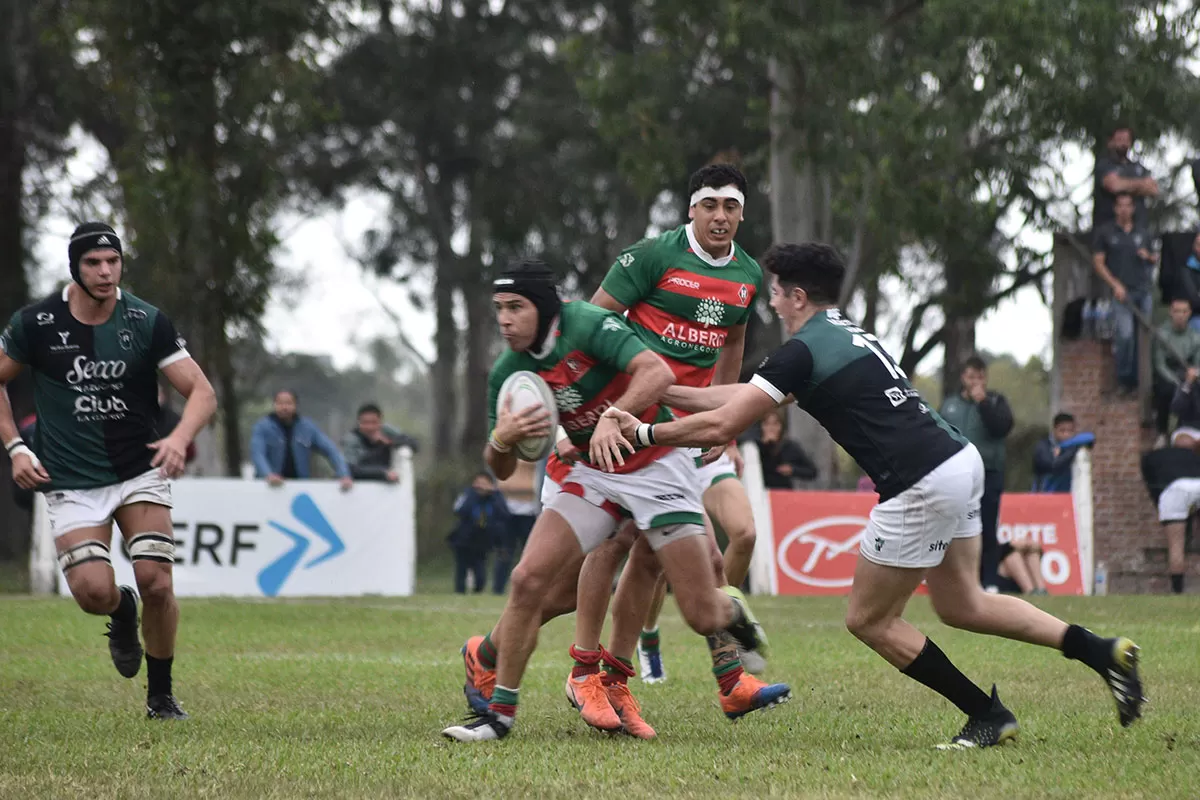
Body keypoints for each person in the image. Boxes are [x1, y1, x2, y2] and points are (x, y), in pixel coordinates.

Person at [605, 241, 1145, 748]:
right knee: (964, 604)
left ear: (797, 296)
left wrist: (646, 431)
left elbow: (725, 424)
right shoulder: (842, 332)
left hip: (920, 481)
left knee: (868, 619)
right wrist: (664, 389)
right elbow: (742, 396)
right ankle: (1100, 652)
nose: (769, 301)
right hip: (958, 462)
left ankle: (986, 714)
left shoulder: (801, 351)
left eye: (775, 291)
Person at [441, 260, 784, 743]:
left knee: (702, 612)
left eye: (515, 307)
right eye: (498, 309)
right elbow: (497, 470)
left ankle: (732, 617)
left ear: (541, 307)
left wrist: (616, 414)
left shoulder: (585, 322)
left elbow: (656, 372)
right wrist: (502, 440)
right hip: (593, 470)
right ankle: (501, 717)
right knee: (528, 579)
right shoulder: (509, 371)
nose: (504, 319)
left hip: (656, 463)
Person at [0, 222, 218, 720]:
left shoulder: (145, 320)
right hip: (72, 479)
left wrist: (179, 439)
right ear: (74, 267)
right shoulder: (35, 324)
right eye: (94, 263)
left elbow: (202, 392)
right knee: (93, 593)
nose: (105, 271)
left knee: (157, 581)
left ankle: (161, 696)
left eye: (113, 261)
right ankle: (121, 609)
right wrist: (15, 446)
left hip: (139, 470)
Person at [567, 162, 766, 697]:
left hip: (681, 430)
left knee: (699, 552)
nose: (719, 217)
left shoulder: (747, 275)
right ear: (691, 209)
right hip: (622, 418)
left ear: (742, 214)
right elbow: (590, 323)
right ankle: (575, 667)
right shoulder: (651, 256)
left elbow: (733, 349)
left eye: (730, 208)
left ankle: (721, 677)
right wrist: (586, 408)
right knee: (603, 549)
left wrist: (723, 425)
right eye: (710, 206)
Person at [938, 355, 1014, 589]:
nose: (975, 382)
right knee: (952, 528)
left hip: (989, 473)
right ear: (963, 377)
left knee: (986, 528)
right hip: (955, 475)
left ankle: (988, 581)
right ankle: (956, 581)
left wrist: (983, 403)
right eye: (971, 376)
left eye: (980, 377)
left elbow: (1002, 428)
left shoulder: (996, 401)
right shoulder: (950, 405)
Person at [1092, 192, 1158, 394]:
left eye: (1128, 205)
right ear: (1115, 208)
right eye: (1120, 205)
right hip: (1121, 292)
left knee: (1143, 338)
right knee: (1126, 335)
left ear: (1133, 208)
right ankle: (1124, 380)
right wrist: (1115, 285)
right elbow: (1098, 263)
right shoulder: (1106, 232)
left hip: (1143, 291)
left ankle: (1141, 382)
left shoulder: (1143, 232)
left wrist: (1149, 256)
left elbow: (1155, 258)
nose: (1124, 209)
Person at [250, 390, 352, 490]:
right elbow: (258, 454)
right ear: (274, 405)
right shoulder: (262, 427)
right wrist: (268, 475)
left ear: (296, 405)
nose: (284, 407)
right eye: (280, 403)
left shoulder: (308, 427)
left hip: (299, 487)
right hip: (268, 487)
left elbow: (331, 451)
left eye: (289, 403)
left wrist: (344, 475)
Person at [1141, 444, 1200, 594]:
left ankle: (1177, 591)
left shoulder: (1149, 458)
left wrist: (1163, 512)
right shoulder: (1189, 453)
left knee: (1176, 545)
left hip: (1174, 489)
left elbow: (1153, 488)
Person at [448, 472, 509, 594]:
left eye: (484, 483)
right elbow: (460, 510)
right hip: (464, 539)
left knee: (480, 570)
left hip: (483, 540)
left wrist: (493, 494)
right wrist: (473, 495)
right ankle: (459, 592)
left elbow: (504, 514)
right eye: (478, 483)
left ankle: (478, 591)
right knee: (462, 568)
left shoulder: (496, 498)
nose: (481, 486)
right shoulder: (467, 495)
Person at [1092, 124, 1158, 231]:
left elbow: (1153, 189)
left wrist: (1124, 184)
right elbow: (1114, 186)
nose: (1123, 143)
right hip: (1108, 231)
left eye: (1126, 140)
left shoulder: (1137, 167)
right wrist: (1140, 186)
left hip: (1138, 230)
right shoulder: (1104, 165)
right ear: (1111, 142)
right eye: (1119, 139)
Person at [1152, 298, 1200, 445]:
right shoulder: (1162, 334)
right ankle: (1162, 432)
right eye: (1177, 311)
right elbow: (1159, 364)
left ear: (1189, 313)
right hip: (1168, 375)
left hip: (1188, 374)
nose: (1180, 315)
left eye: (1184, 311)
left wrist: (1191, 378)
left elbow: (1197, 363)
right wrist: (1178, 382)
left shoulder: (1195, 337)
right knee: (1166, 390)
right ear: (1171, 313)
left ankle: (1189, 428)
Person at [341, 402, 418, 483]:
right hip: (361, 483)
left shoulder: (386, 430)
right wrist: (382, 473)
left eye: (374, 422)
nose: (370, 427)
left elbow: (414, 443)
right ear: (358, 423)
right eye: (365, 423)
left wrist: (389, 442)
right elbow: (351, 469)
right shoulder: (351, 439)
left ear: (380, 422)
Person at [494, 460, 539, 594]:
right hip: (506, 511)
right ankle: (498, 588)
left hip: (531, 511)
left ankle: (531, 588)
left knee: (531, 554)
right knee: (504, 552)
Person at [1032, 413, 1095, 493]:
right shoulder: (1043, 446)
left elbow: (1090, 437)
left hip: (1066, 496)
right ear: (1054, 430)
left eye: (1070, 431)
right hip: (1044, 496)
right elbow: (1053, 466)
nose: (1066, 434)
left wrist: (1063, 447)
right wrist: (1072, 448)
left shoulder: (1071, 445)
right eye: (1062, 430)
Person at [756, 407, 817, 489]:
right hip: (761, 492)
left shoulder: (790, 446)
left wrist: (792, 469)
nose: (771, 428)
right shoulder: (755, 446)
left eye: (775, 424)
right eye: (767, 424)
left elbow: (812, 471)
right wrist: (764, 445)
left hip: (784, 491)